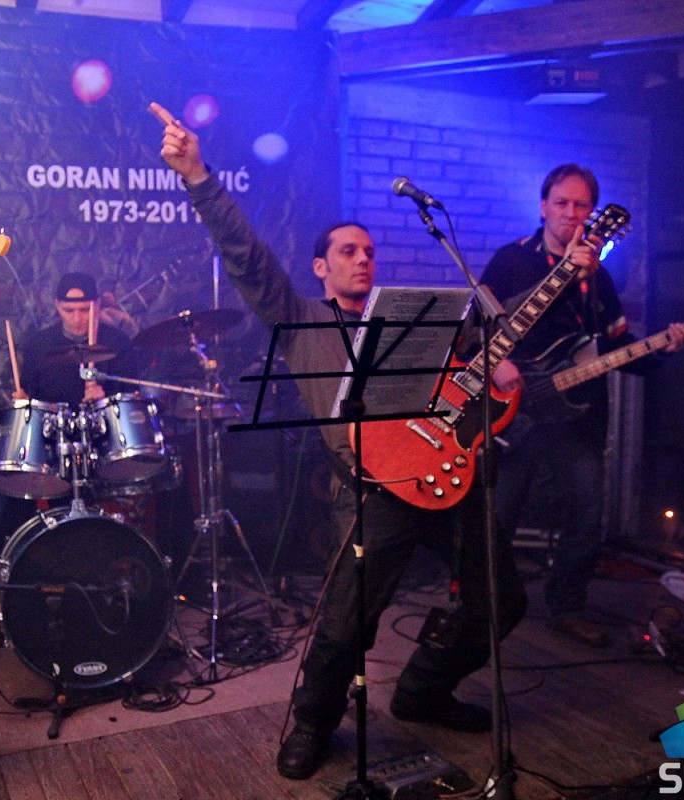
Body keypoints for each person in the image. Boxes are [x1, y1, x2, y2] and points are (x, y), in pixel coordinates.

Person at [158, 109, 534, 781]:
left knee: (503, 599)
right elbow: (247, 257)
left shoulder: (410, 321)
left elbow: (469, 371)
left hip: (447, 478)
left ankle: (423, 691)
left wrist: (495, 364)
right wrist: (197, 176)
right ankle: (312, 723)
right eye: (349, 252)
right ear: (320, 267)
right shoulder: (300, 318)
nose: (364, 260)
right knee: (345, 624)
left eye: (369, 252)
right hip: (371, 490)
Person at [481, 163, 684, 648]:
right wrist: (498, 365)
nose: (570, 212)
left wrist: (665, 348)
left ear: (594, 214)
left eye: (581, 205)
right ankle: (482, 606)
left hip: (578, 415)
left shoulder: (599, 280)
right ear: (543, 206)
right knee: (499, 516)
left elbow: (619, 345)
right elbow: (477, 328)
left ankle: (567, 607)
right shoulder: (511, 260)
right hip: (514, 411)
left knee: (586, 514)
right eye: (561, 202)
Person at [12, 272, 137, 406]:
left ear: (97, 305)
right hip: (54, 419)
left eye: (85, 310)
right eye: (69, 311)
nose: (77, 319)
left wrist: (106, 399)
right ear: (58, 306)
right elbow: (30, 396)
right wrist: (25, 401)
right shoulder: (37, 345)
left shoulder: (118, 342)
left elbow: (131, 400)